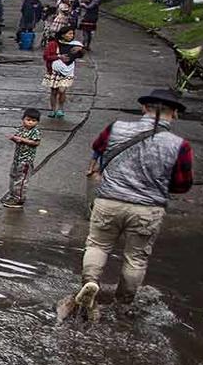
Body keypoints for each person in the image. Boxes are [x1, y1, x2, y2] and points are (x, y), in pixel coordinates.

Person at [65, 89, 195, 320]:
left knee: (97, 245)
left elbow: (98, 147)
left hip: (108, 201)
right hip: (147, 208)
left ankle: (90, 283)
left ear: (144, 108)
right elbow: (182, 184)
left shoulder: (116, 128)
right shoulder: (180, 145)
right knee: (136, 257)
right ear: (174, 114)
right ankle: (123, 305)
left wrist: (102, 167)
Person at [4, 108, 42, 209]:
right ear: (23, 119)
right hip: (17, 159)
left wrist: (22, 140)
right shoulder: (21, 129)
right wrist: (14, 138)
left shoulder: (35, 132)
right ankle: (12, 195)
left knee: (21, 180)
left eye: (33, 121)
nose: (30, 122)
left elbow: (36, 142)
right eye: (28, 120)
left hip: (26, 161)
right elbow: (17, 139)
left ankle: (19, 199)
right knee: (13, 176)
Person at [43, 44, 81, 120]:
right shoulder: (53, 44)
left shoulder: (73, 44)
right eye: (68, 33)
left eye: (71, 34)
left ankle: (60, 109)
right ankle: (53, 110)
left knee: (61, 90)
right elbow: (46, 56)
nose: (70, 35)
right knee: (54, 91)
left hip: (66, 72)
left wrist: (80, 50)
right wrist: (58, 57)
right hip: (54, 71)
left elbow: (80, 54)